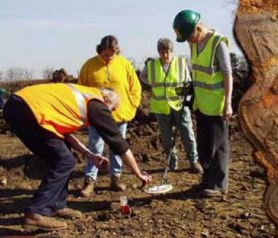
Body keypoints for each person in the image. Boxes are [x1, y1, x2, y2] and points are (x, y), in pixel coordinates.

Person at [3, 83, 152, 230]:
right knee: (64, 161)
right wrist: (138, 174)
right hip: (27, 109)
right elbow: (119, 144)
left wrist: (90, 155)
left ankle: (56, 205)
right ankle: (36, 212)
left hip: (20, 106)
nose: (110, 113)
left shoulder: (83, 98)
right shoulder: (96, 103)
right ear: (106, 99)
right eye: (112, 108)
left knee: (63, 156)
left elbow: (65, 135)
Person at [173, 9, 233, 197]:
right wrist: (190, 87)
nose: (189, 41)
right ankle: (207, 180)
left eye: (190, 36)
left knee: (218, 146)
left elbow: (227, 74)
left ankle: (218, 185)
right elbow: (199, 71)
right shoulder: (194, 45)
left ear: (198, 28)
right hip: (200, 102)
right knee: (204, 146)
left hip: (216, 104)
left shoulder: (217, 43)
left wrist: (228, 103)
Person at [77, 35, 141, 197]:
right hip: (96, 116)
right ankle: (90, 180)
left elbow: (135, 87)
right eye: (105, 54)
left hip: (120, 115)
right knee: (94, 146)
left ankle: (116, 178)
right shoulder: (89, 65)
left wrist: (131, 105)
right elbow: (80, 90)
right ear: (100, 51)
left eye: (112, 54)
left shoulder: (124, 64)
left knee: (117, 147)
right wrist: (85, 111)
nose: (109, 57)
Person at [139, 38, 203, 174]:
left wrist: (187, 99)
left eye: (167, 51)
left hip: (179, 105)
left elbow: (187, 82)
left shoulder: (181, 63)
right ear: (158, 52)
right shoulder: (151, 65)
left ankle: (194, 161)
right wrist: (152, 84)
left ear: (172, 51)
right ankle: (171, 163)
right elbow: (143, 77)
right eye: (162, 52)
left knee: (188, 134)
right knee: (167, 137)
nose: (165, 55)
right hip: (161, 107)